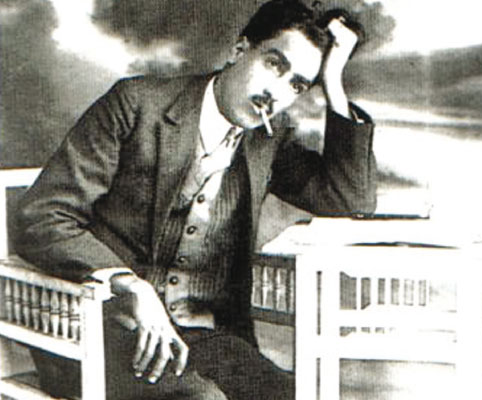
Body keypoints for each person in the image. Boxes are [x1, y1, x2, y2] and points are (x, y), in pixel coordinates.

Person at [14, 1, 376, 399]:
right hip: (98, 331)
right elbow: (43, 215)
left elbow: (349, 197)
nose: (275, 92)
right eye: (274, 64)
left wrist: (334, 82)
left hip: (204, 341)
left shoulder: (267, 141)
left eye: (297, 85)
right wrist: (128, 284)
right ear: (240, 50)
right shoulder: (136, 104)